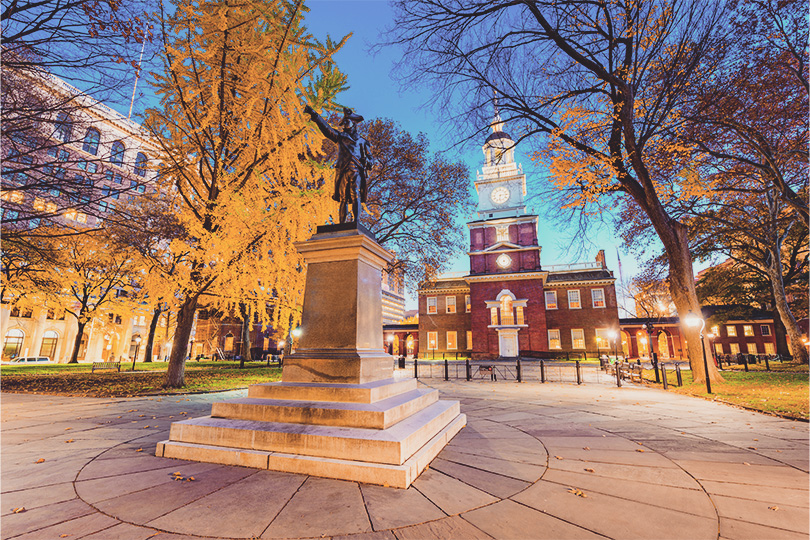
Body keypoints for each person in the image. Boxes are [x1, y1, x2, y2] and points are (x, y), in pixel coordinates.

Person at [303, 105, 372, 223]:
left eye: (347, 121)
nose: (345, 123)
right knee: (343, 197)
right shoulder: (340, 137)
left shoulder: (362, 141)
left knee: (355, 194)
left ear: (354, 123)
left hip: (356, 170)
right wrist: (314, 115)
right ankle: (342, 223)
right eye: (344, 121)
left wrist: (368, 162)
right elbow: (327, 129)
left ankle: (356, 221)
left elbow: (370, 158)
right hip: (343, 169)